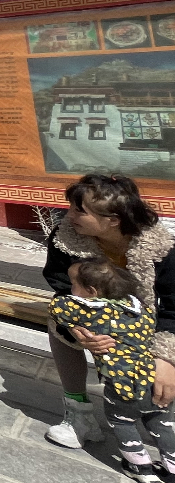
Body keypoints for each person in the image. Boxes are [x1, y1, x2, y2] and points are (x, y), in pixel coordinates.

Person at [41, 174, 175, 451]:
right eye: (71, 207)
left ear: (113, 220)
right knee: (58, 327)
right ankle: (78, 412)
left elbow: (173, 306)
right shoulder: (66, 238)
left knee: (161, 370)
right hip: (94, 313)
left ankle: (159, 420)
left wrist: (166, 358)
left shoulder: (161, 248)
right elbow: (62, 285)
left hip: (144, 317)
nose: (69, 215)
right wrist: (78, 329)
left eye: (80, 210)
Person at [50, 257, 175, 483]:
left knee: (122, 422)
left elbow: (57, 307)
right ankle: (172, 469)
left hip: (122, 384)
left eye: (73, 284)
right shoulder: (141, 309)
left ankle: (139, 466)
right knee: (161, 425)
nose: (70, 289)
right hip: (154, 379)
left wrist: (74, 325)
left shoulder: (90, 311)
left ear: (91, 291)